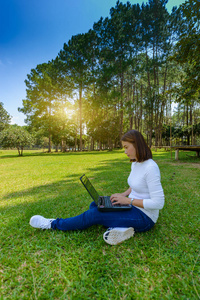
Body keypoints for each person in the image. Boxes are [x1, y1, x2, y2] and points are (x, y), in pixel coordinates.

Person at [30, 130, 165, 245]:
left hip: (145, 217)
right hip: (131, 207)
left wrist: (128, 201)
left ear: (136, 145)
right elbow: (135, 187)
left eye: (126, 147)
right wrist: (124, 194)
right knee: (96, 204)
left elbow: (158, 203)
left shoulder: (151, 167)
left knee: (95, 214)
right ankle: (120, 228)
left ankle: (52, 224)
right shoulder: (136, 163)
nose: (124, 151)